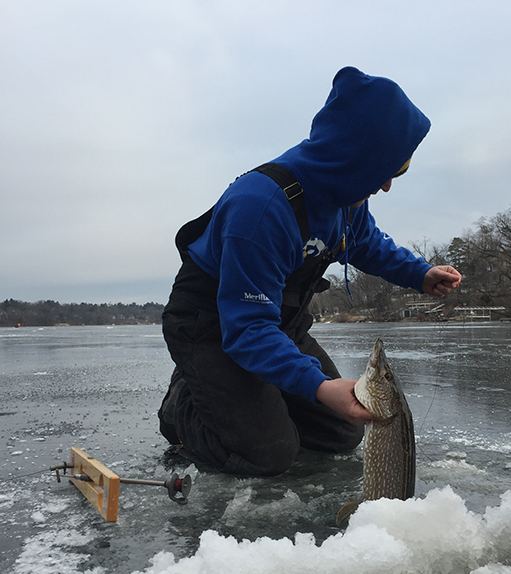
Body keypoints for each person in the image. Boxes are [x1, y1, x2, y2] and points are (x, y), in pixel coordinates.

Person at [159, 66, 461, 477]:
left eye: (400, 169)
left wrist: (419, 273)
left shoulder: (348, 193)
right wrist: (318, 386)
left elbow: (364, 242)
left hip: (280, 325)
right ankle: (185, 404)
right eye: (388, 170)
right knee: (264, 454)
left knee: (343, 432)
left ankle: (252, 402)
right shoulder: (261, 208)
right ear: (355, 157)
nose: (388, 185)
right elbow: (247, 328)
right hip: (210, 326)